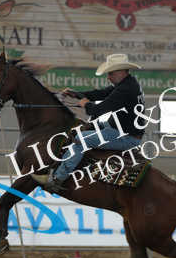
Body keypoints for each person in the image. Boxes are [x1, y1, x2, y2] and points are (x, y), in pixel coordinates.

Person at [41, 53, 146, 193]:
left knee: (81, 139)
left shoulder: (124, 89)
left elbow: (97, 110)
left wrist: (85, 104)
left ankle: (57, 179)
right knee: (81, 128)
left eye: (111, 73)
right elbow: (101, 94)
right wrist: (77, 94)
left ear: (121, 71)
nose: (108, 77)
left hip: (125, 136)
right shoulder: (129, 83)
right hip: (120, 128)